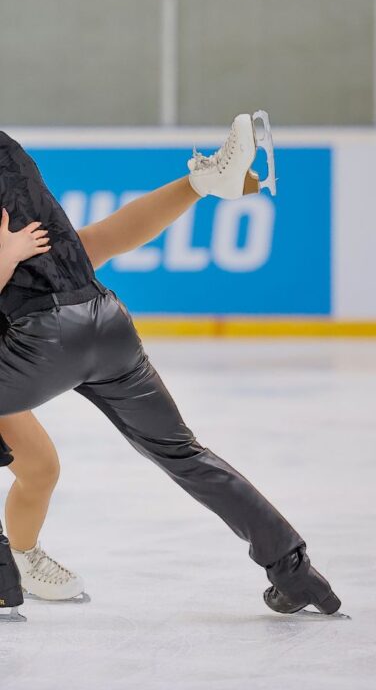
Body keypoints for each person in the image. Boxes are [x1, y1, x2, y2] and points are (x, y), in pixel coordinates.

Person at [0, 113, 340, 621]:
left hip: (40, 339)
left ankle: (12, 568)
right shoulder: (13, 162)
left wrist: (7, 257)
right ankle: (294, 570)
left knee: (40, 468)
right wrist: (194, 187)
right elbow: (99, 242)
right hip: (107, 324)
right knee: (171, 455)